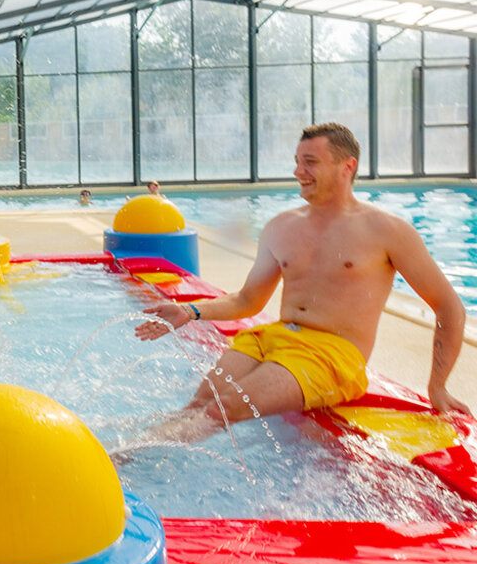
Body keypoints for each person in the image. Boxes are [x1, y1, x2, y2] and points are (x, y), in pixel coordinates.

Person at [134, 122, 469, 443]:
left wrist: (437, 386)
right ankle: (124, 450)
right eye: (297, 161)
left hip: (332, 353)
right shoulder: (281, 226)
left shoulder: (386, 231)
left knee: (225, 409)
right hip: (272, 338)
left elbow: (448, 306)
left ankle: (125, 461)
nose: (298, 171)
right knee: (200, 403)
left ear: (347, 167)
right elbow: (248, 300)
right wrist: (189, 311)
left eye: (310, 162)